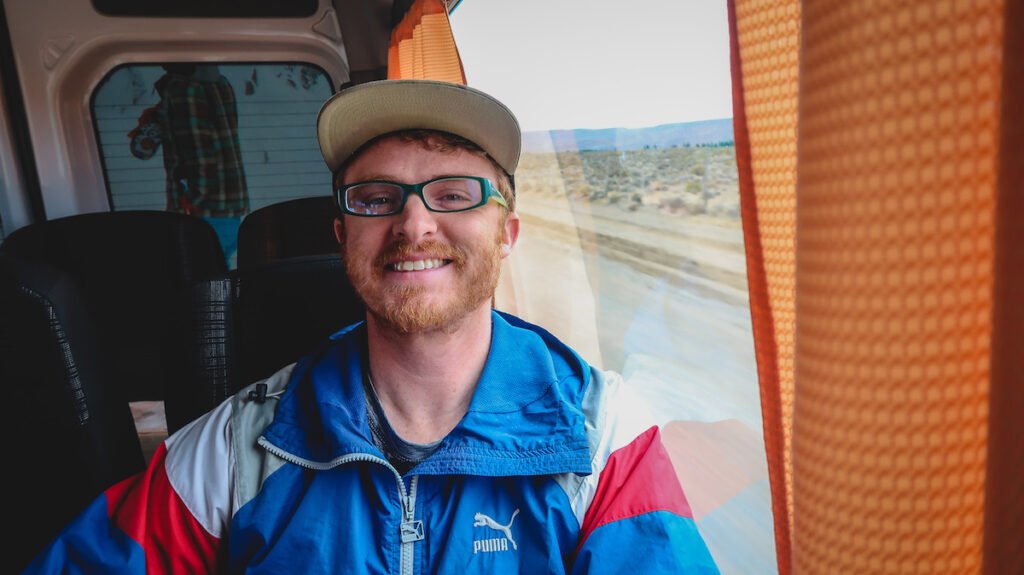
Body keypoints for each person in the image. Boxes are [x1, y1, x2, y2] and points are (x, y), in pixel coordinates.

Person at [27, 80, 718, 573]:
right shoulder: (235, 446)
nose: (414, 224)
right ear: (342, 236)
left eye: (452, 193)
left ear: (506, 234)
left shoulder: (604, 436)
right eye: (376, 198)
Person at [128, 64, 249, 267]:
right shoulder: (221, 84)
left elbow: (200, 153)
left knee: (202, 278)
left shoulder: (184, 90)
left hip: (202, 210)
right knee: (216, 274)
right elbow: (143, 149)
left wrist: (191, 202)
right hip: (228, 208)